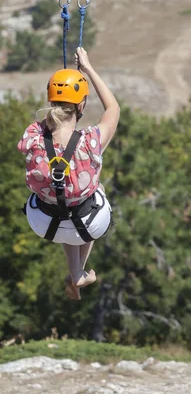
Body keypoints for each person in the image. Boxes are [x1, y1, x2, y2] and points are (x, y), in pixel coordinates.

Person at [18, 47, 120, 301]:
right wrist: (87, 68)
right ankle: (78, 270)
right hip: (88, 225)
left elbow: (46, 128)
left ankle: (76, 271)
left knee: (59, 194)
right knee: (93, 193)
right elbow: (113, 109)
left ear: (51, 102)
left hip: (44, 223)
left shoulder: (33, 137)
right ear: (82, 105)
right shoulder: (91, 142)